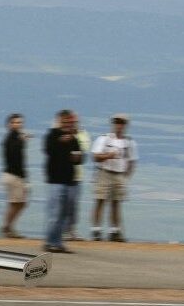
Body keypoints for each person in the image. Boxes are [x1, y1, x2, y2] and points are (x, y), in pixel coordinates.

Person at [91, 114, 138, 242]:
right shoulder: (104, 139)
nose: (119, 126)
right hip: (104, 172)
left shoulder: (129, 142)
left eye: (122, 123)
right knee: (100, 200)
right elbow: (95, 157)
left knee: (116, 202)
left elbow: (132, 161)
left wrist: (126, 175)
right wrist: (108, 156)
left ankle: (115, 231)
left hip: (119, 174)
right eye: (117, 123)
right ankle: (96, 230)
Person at [43, 109, 83, 254]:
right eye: (64, 121)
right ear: (59, 121)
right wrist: (60, 141)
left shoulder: (73, 138)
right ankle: (49, 241)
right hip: (55, 180)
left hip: (70, 180)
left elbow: (80, 157)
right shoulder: (51, 135)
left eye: (69, 122)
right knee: (54, 213)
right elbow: (48, 150)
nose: (67, 124)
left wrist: (78, 157)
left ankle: (58, 242)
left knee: (65, 214)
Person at [0, 113, 29, 238]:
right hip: (13, 175)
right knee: (16, 203)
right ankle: (7, 227)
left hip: (18, 175)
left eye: (19, 122)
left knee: (20, 203)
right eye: (15, 122)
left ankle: (8, 226)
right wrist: (21, 142)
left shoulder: (17, 138)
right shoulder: (10, 139)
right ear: (9, 124)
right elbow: (12, 155)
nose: (18, 124)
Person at [64, 112, 91, 241]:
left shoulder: (83, 135)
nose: (72, 124)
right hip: (61, 174)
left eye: (74, 122)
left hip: (76, 175)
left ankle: (71, 230)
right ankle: (62, 230)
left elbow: (81, 153)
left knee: (73, 204)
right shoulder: (61, 134)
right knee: (62, 204)